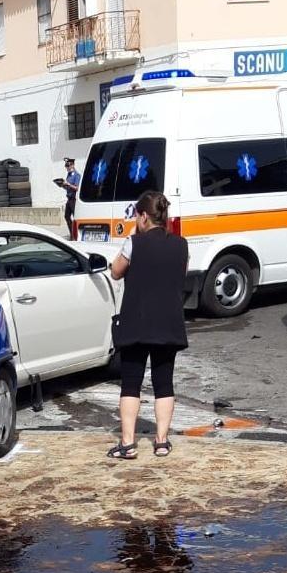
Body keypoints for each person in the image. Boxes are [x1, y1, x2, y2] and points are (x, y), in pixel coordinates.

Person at [107, 190, 188, 459]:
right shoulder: (181, 245)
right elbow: (180, 274)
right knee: (164, 383)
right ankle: (162, 441)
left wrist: (132, 242)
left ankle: (128, 444)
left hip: (136, 323)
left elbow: (116, 272)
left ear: (143, 216)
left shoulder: (133, 243)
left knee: (131, 383)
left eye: (136, 217)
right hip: (169, 322)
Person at [62, 157, 81, 240]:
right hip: (69, 199)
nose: (67, 168)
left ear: (72, 165)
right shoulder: (69, 175)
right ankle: (72, 234)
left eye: (68, 165)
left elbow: (77, 188)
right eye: (66, 166)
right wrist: (62, 185)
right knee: (66, 216)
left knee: (75, 218)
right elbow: (68, 187)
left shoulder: (77, 175)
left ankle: (76, 236)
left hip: (74, 199)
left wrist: (68, 184)